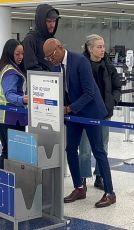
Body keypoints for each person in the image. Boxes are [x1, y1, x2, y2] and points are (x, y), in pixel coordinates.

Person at [43, 38, 116, 208]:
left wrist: (69, 109)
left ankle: (110, 193)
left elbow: (90, 93)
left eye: (52, 55)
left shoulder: (80, 61)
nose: (51, 59)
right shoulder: (56, 65)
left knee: (98, 151)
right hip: (74, 114)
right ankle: (79, 187)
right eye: (47, 57)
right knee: (70, 149)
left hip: (90, 112)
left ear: (60, 48)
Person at [79, 34, 121, 190]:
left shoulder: (109, 67)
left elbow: (117, 87)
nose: (103, 49)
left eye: (103, 46)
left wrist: (112, 101)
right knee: (84, 149)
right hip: (85, 115)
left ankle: (99, 177)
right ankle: (82, 179)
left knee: (102, 148)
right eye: (99, 46)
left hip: (104, 115)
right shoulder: (81, 65)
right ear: (90, 48)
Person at [0, 39, 28, 169]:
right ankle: (5, 182)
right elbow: (9, 94)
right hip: (10, 117)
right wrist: (23, 99)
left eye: (22, 53)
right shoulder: (11, 72)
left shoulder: (3, 66)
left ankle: (1, 182)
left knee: (7, 150)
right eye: (17, 54)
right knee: (11, 152)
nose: (20, 57)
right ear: (10, 53)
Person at [23, 3, 60, 72]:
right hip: (40, 81)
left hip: (54, 80)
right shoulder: (30, 40)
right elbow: (31, 67)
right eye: (49, 21)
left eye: (54, 21)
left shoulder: (53, 40)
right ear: (41, 21)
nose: (52, 25)